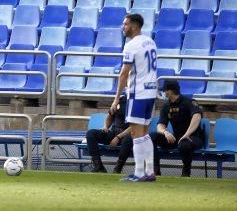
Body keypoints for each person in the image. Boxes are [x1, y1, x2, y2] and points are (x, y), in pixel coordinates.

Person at [112, 13, 158, 182]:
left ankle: (139, 173)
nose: (123, 27)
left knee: (136, 133)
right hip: (151, 92)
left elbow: (124, 74)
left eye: (125, 24)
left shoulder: (131, 45)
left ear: (135, 26)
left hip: (138, 93)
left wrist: (117, 98)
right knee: (145, 133)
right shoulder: (150, 42)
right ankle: (150, 171)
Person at [149, 80, 204, 177]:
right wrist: (165, 132)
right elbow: (160, 125)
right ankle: (155, 171)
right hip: (177, 138)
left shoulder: (189, 102)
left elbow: (197, 116)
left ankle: (186, 173)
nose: (164, 93)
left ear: (169, 91)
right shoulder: (166, 106)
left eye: (165, 90)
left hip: (193, 137)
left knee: (184, 145)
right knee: (151, 138)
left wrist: (186, 134)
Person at [85, 93, 133, 174]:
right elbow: (110, 116)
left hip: (128, 134)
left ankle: (118, 168)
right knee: (91, 134)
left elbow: (135, 126)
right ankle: (98, 166)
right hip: (114, 132)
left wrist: (118, 137)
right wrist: (105, 127)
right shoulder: (120, 100)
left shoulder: (138, 102)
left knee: (128, 139)